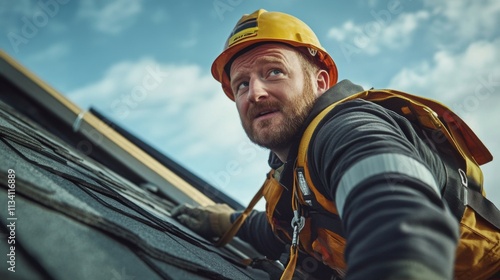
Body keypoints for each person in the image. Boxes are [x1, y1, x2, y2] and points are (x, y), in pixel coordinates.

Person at [172, 9, 500, 280]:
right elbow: (281, 231)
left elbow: (399, 220)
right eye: (241, 84)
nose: (255, 93)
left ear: (320, 82)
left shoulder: (347, 129)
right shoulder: (295, 175)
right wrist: (222, 222)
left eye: (273, 71)